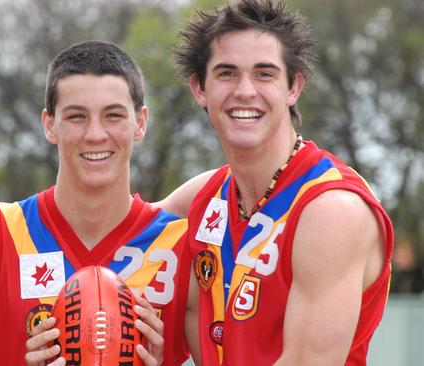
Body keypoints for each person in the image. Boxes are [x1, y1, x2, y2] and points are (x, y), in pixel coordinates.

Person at [160, 0, 395, 365]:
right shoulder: (206, 197)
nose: (245, 91)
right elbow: (115, 234)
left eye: (264, 73)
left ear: (294, 88)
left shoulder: (330, 210)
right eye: (226, 73)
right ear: (199, 88)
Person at [0, 40, 192, 366]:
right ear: (49, 124)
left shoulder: (183, 247)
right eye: (77, 116)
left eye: (113, 115)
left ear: (140, 122)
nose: (95, 134)